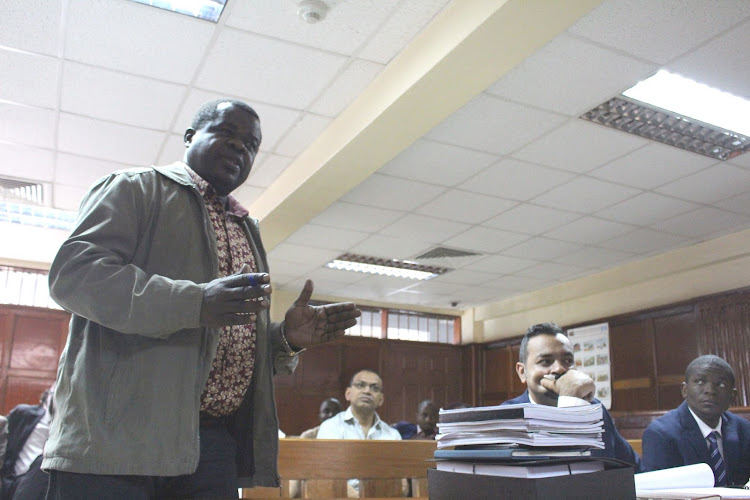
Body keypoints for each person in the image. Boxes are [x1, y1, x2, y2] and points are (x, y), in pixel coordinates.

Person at [43, 99, 361, 499]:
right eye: (227, 133)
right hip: (118, 441)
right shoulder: (136, 187)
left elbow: (224, 342)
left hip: (211, 445)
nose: (239, 148)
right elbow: (75, 275)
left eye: (250, 144)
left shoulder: (246, 227)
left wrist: (284, 340)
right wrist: (194, 302)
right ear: (191, 136)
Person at [503, 323, 640, 469]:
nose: (559, 369)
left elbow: (633, 468)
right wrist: (568, 399)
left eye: (568, 361)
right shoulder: (507, 418)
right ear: (522, 372)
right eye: (545, 361)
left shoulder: (595, 409)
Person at [641, 355, 750, 486]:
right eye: (700, 382)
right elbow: (658, 493)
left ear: (733, 396)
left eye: (720, 384)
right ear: (684, 390)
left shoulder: (744, 431)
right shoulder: (661, 434)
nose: (710, 391)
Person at [317, 370, 401, 497]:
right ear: (348, 393)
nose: (367, 391)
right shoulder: (330, 427)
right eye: (361, 385)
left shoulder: (393, 435)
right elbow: (325, 473)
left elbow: (400, 479)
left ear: (381, 399)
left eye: (375, 388)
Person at [1, 388, 54, 500]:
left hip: (37, 485)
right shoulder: (24, 413)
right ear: (47, 397)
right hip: (8, 477)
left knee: (42, 462)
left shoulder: (69, 431)